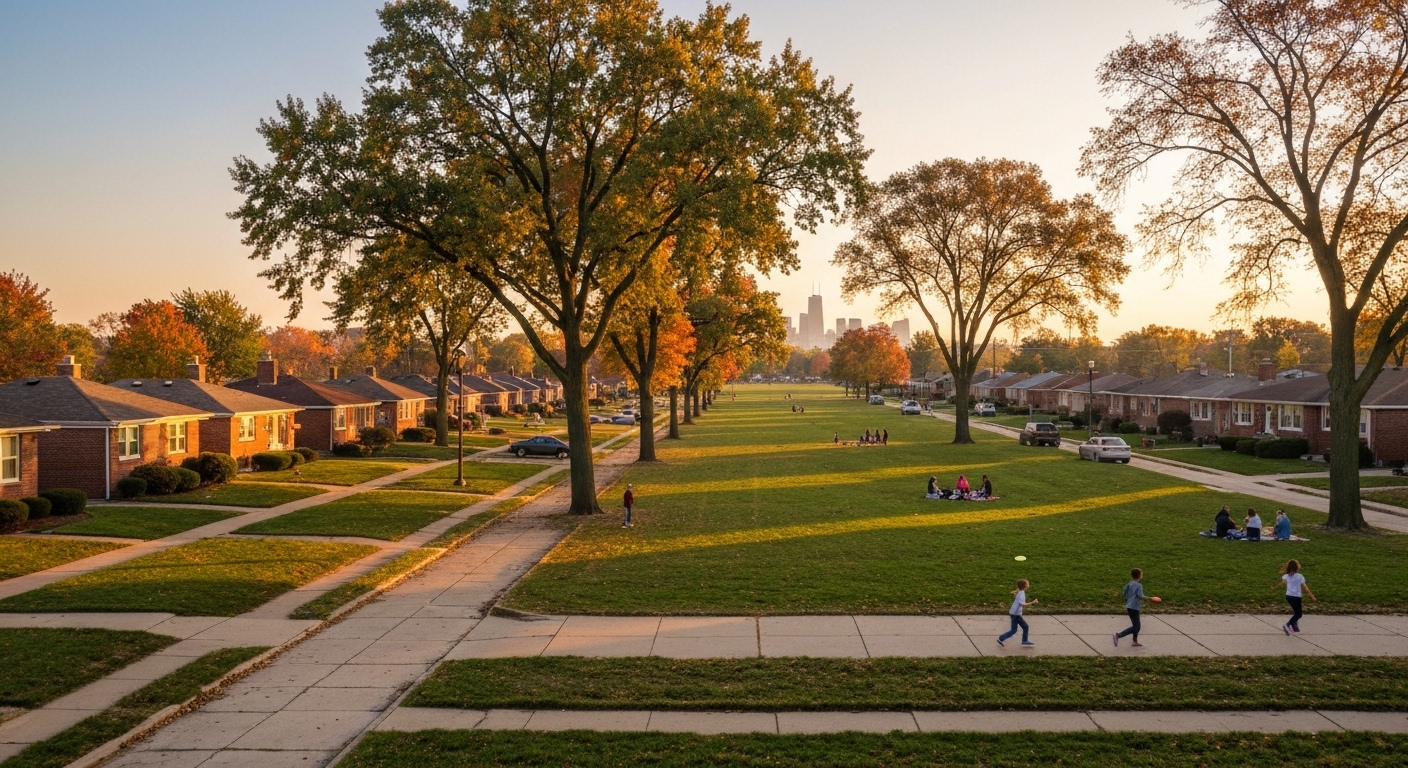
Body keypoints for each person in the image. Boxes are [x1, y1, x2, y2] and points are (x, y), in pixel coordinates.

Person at [1113, 568, 1159, 647]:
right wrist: (1151, 598)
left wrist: (1128, 599)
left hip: (1129, 606)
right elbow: (1140, 596)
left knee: (1135, 625)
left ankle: (1135, 641)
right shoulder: (1139, 585)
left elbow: (1124, 593)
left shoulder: (1129, 584)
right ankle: (1118, 635)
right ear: (1140, 576)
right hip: (1134, 607)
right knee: (1137, 627)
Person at [1276, 559, 1316, 634]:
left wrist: (1274, 587)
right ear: (1297, 567)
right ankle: (1288, 625)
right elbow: (1305, 587)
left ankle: (1295, 627)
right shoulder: (1300, 576)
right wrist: (1311, 595)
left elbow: (1281, 583)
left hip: (1288, 596)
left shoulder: (1286, 576)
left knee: (1296, 612)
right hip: (1296, 597)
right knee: (1299, 614)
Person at [998, 578, 1037, 647]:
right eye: (1028, 584)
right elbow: (1022, 604)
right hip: (1016, 614)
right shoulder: (1021, 594)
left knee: (1024, 627)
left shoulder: (1021, 592)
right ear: (1025, 586)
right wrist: (1033, 602)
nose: (1029, 585)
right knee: (1015, 629)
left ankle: (1024, 640)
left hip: (1014, 613)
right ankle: (1002, 638)